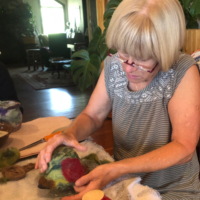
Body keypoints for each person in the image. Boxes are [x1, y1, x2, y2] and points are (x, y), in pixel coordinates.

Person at [35, 0, 200, 199]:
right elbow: (93, 115)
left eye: (142, 59)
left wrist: (116, 169)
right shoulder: (113, 65)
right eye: (123, 53)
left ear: (166, 50)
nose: (128, 68)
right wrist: (71, 133)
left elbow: (184, 147)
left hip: (171, 188)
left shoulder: (183, 71)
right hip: (125, 180)